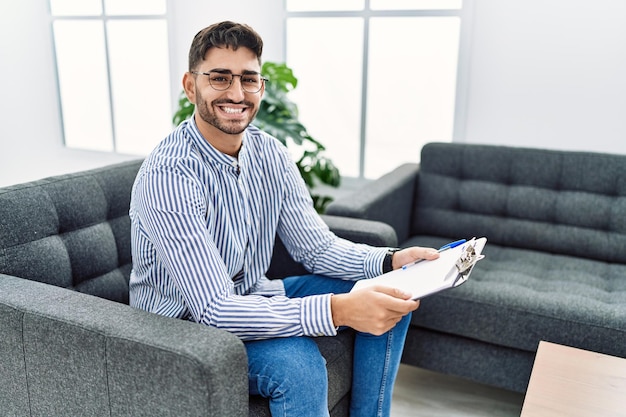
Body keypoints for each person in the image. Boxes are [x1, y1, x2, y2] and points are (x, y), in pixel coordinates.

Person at [129, 20, 439, 417]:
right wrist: (340, 309)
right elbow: (215, 309)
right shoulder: (169, 174)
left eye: (248, 79)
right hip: (184, 329)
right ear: (191, 86)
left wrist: (390, 261)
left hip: (253, 293)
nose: (237, 94)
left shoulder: (269, 153)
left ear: (261, 85)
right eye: (220, 78)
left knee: (390, 291)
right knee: (299, 366)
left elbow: (317, 248)